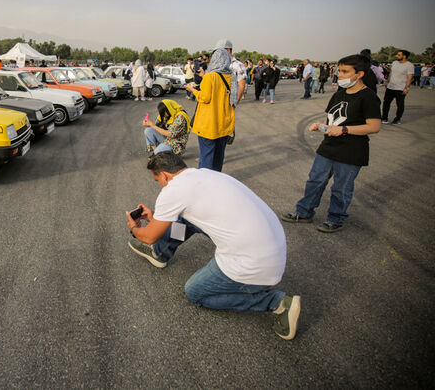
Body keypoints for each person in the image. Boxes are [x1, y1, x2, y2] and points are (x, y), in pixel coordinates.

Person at [126, 152, 300, 340]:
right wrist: (155, 219)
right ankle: (161, 253)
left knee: (195, 292)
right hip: (273, 248)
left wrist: (134, 229)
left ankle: (276, 302)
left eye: (157, 180)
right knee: (186, 219)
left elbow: (149, 236)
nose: (160, 185)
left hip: (253, 265)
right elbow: (180, 219)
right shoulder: (205, 174)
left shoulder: (173, 191)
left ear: (165, 176)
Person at [281, 54, 381, 232]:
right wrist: (320, 126)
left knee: (341, 188)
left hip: (351, 151)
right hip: (328, 148)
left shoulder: (368, 97)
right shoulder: (339, 94)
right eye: (339, 70)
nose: (340, 75)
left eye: (345, 71)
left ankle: (336, 218)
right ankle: (304, 212)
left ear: (359, 74)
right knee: (315, 181)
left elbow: (374, 126)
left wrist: (344, 130)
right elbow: (332, 120)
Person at [184, 48, 233, 172]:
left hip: (209, 124)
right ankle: (216, 180)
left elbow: (204, 97)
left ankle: (205, 184)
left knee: (206, 156)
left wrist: (193, 90)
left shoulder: (210, 76)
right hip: (223, 123)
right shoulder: (229, 76)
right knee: (218, 157)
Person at [381, 50, 414, 125]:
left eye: (399, 55)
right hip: (391, 87)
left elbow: (409, 78)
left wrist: (407, 88)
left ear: (404, 56)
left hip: (400, 88)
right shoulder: (394, 63)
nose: (396, 56)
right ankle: (384, 118)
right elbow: (391, 73)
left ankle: (397, 119)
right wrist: (387, 81)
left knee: (400, 104)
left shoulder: (409, 65)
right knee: (386, 103)